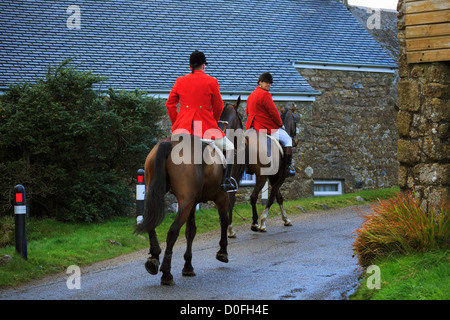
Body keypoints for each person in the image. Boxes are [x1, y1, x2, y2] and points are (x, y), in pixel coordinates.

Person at [166, 50, 237, 192]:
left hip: (182, 128)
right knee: (229, 147)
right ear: (204, 66)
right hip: (205, 129)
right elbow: (218, 106)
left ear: (190, 67)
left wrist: (178, 123)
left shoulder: (180, 81)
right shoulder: (212, 81)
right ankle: (226, 181)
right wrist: (213, 122)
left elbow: (170, 104)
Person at [245, 72, 296, 177]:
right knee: (288, 140)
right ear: (260, 82)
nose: (269, 85)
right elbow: (274, 112)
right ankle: (287, 168)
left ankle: (248, 167)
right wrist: (280, 124)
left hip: (252, 128)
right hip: (265, 127)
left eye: (270, 83)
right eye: (266, 82)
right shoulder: (265, 94)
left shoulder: (250, 96)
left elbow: (247, 113)